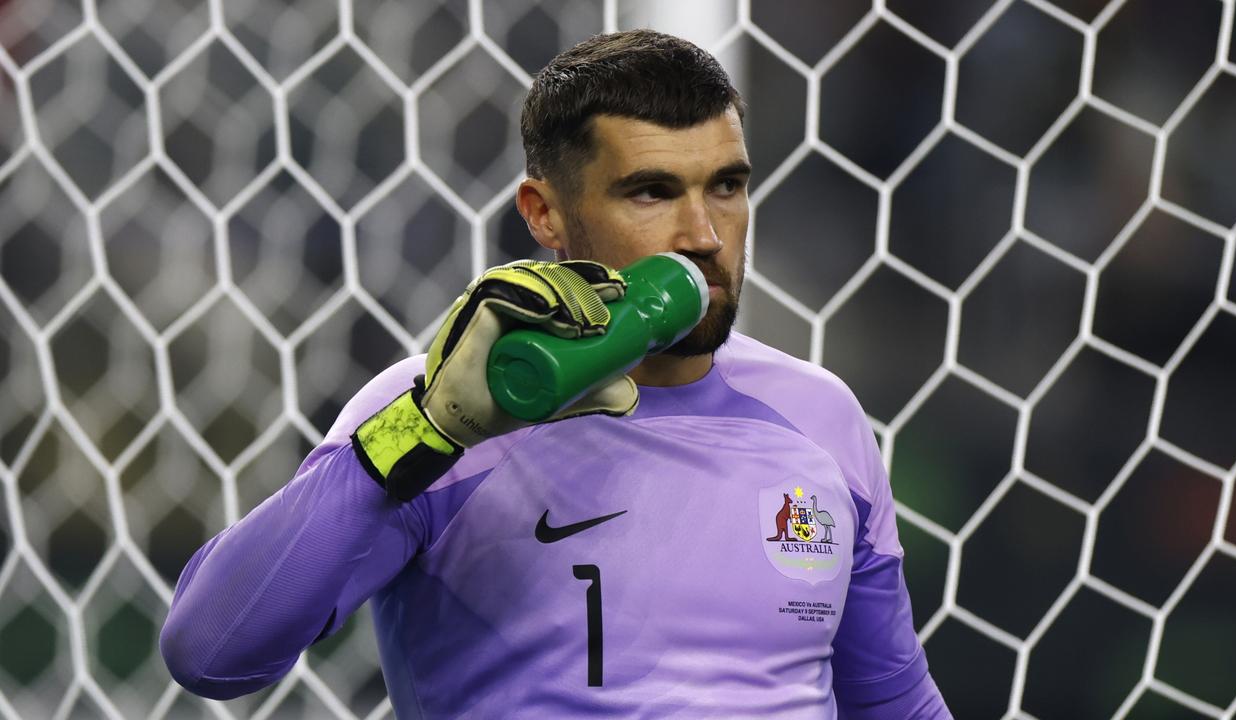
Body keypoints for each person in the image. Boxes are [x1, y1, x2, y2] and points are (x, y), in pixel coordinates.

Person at [159, 29, 952, 718]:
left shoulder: (820, 418)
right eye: (652, 191)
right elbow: (212, 653)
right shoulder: (438, 413)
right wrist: (424, 430)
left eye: (728, 186)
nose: (704, 234)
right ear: (544, 213)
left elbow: (893, 703)